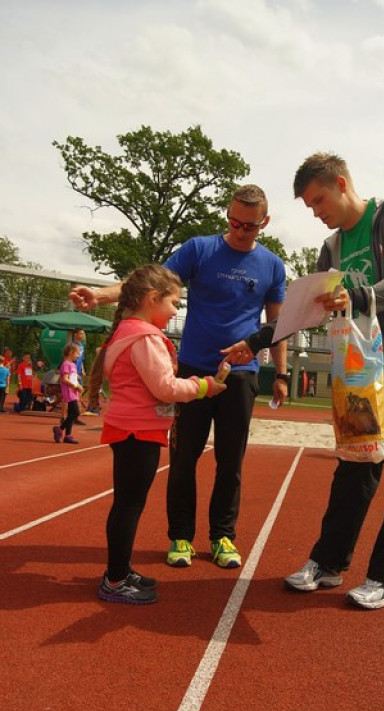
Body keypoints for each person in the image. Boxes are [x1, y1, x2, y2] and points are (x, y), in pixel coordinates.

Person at [226, 154, 384, 610]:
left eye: (318, 200)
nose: (315, 211)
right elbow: (307, 309)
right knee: (354, 464)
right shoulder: (330, 250)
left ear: (342, 184)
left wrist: (362, 294)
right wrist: (258, 340)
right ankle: (328, 563)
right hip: (370, 368)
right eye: (309, 205)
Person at [69, 184, 288, 570]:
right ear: (227, 214)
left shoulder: (271, 265)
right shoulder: (199, 249)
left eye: (249, 226)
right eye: (234, 222)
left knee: (230, 461)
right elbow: (147, 286)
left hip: (241, 373)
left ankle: (222, 536)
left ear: (264, 223)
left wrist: (283, 372)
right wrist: (100, 297)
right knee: (184, 457)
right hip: (191, 369)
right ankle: (181, 537)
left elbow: (278, 323)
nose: (240, 231)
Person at [86, 264, 226, 605]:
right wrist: (204, 385)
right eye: (174, 303)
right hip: (138, 430)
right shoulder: (146, 338)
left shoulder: (126, 331)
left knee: (127, 503)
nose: (176, 310)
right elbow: (164, 388)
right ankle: (115, 580)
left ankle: (119, 569)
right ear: (152, 299)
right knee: (129, 506)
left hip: (130, 427)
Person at [52, 343, 84, 445]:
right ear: (71, 353)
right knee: (76, 413)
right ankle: (60, 429)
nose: (78, 355)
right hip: (69, 392)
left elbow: (73, 378)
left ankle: (68, 435)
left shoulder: (73, 365)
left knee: (71, 413)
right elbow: (65, 379)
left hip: (74, 392)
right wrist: (75, 386)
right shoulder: (65, 364)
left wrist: (79, 386)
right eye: (77, 353)